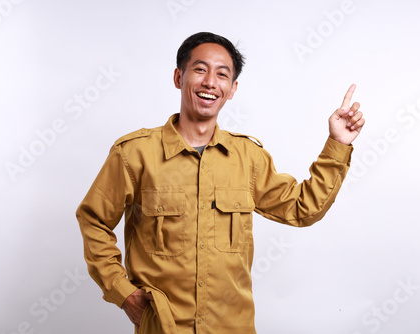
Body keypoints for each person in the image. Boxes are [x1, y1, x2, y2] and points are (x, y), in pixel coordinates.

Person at [76, 32, 365, 334]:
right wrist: (123, 293)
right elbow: (93, 220)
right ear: (179, 77)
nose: (210, 82)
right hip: (164, 327)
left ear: (232, 89)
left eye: (222, 74)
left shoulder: (248, 157)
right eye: (200, 69)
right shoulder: (134, 154)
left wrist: (337, 144)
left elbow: (304, 209)